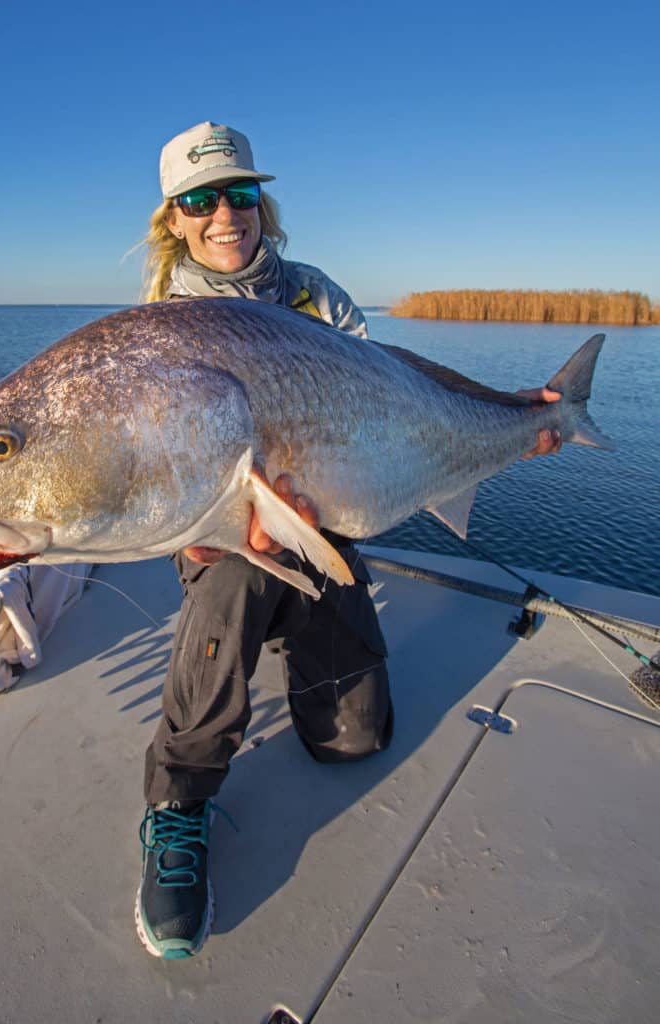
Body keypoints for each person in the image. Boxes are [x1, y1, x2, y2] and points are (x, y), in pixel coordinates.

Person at [135, 121, 561, 961]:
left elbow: (399, 394)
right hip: (222, 546)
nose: (225, 214)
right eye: (199, 199)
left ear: (262, 202)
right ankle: (177, 805)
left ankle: (298, 635)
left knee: (354, 741)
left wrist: (509, 417)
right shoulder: (162, 328)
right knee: (235, 579)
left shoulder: (318, 296)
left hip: (327, 530)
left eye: (240, 192)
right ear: (174, 219)